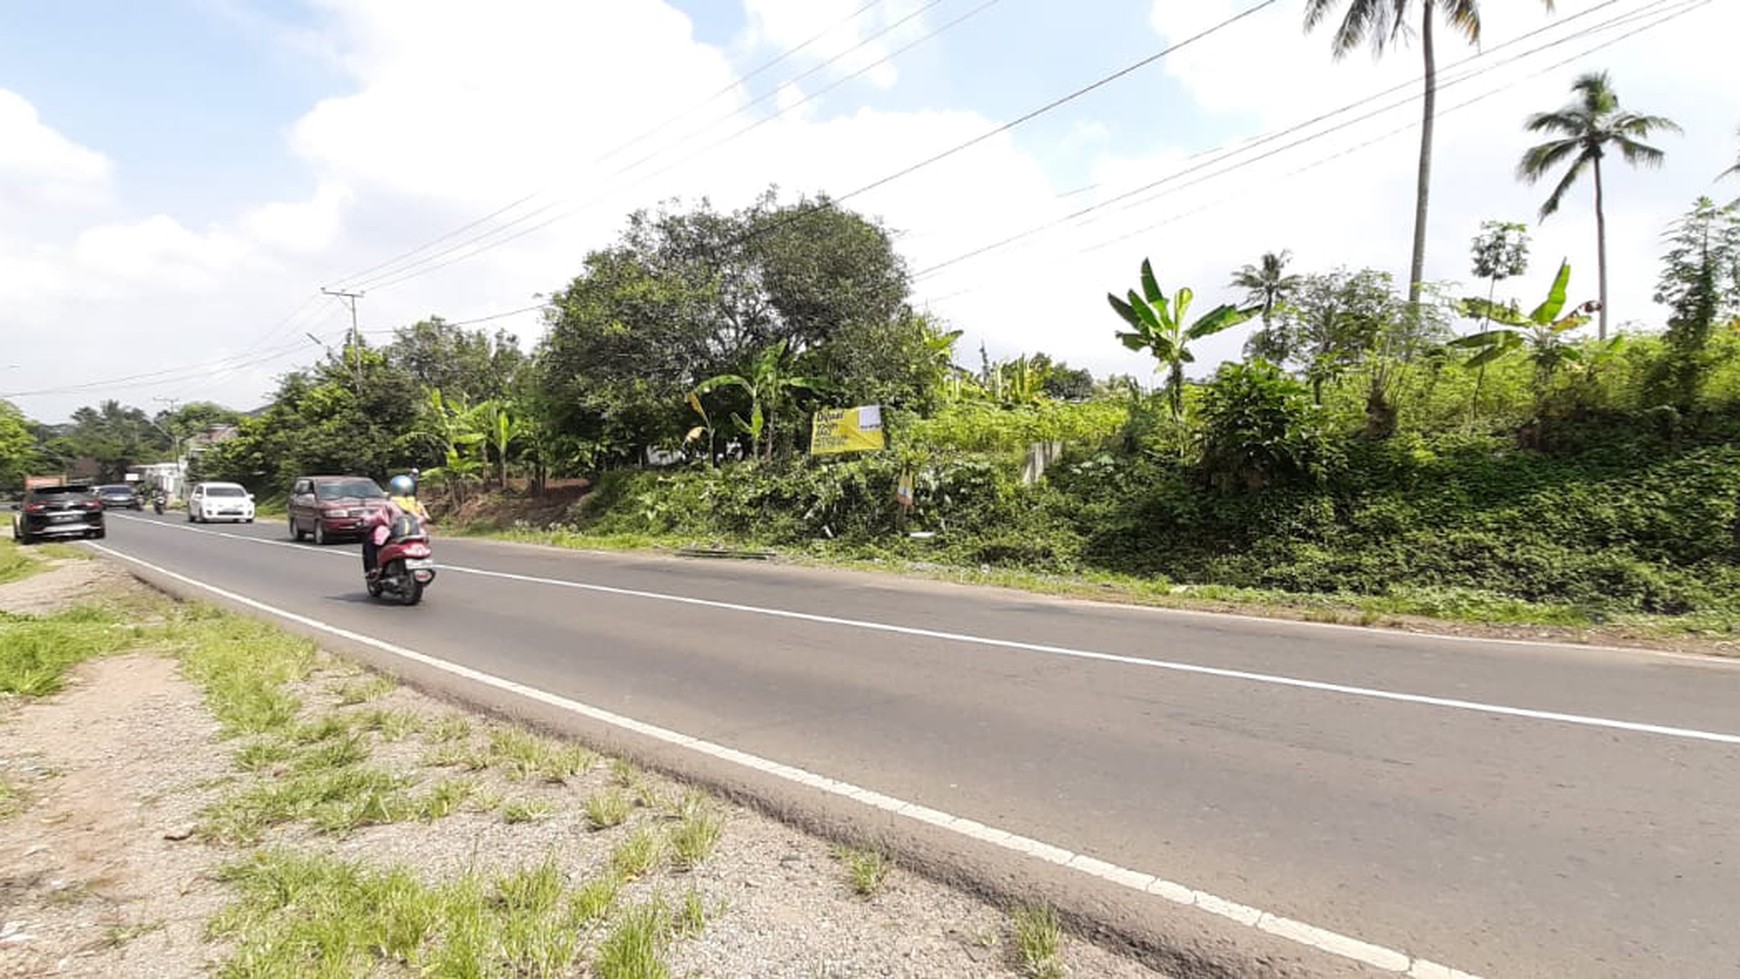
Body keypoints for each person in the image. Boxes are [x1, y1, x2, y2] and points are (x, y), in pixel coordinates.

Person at [362, 474, 432, 578]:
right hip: (417, 533)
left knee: (369, 543)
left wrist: (365, 518)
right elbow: (425, 518)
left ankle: (373, 569)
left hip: (395, 534)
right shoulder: (417, 504)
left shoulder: (390, 504)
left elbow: (377, 519)